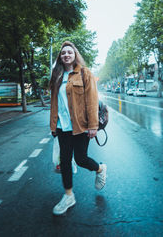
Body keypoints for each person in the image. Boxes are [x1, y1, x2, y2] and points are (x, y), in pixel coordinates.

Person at [49, 41, 107, 215]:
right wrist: (53, 125)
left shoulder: (84, 73)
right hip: (62, 126)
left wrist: (93, 126)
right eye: (63, 52)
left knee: (81, 159)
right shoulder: (57, 75)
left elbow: (91, 101)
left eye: (70, 52)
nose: (66, 55)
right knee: (64, 161)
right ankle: (68, 196)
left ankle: (100, 169)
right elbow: (54, 102)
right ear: (60, 56)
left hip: (80, 126)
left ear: (75, 55)